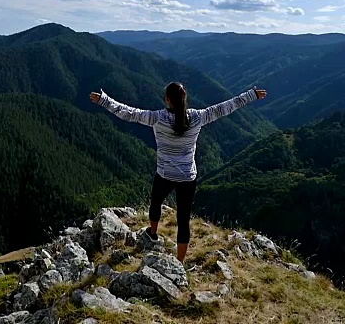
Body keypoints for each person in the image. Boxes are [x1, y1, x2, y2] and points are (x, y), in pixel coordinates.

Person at [90, 82, 267, 263]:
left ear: (167, 100)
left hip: (165, 173)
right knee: (183, 219)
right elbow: (226, 107)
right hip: (187, 177)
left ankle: (152, 233)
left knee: (155, 202)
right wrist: (251, 96)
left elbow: (128, 113)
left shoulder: (158, 118)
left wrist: (104, 101)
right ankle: (180, 262)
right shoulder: (198, 117)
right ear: (185, 99)